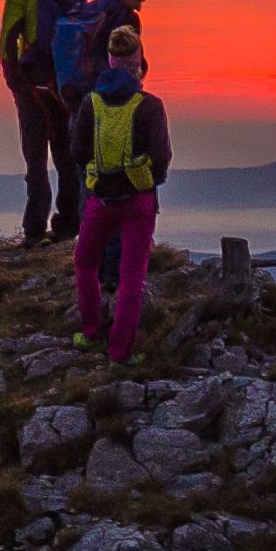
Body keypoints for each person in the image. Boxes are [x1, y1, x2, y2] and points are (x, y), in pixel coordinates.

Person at [70, 25, 173, 363]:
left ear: (110, 62)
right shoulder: (149, 106)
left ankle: (90, 333)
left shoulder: (91, 104)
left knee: (85, 263)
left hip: (99, 198)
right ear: (139, 62)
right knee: (132, 277)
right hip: (138, 201)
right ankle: (120, 352)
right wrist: (148, 181)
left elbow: (78, 152)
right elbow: (161, 156)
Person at [0, 0, 89, 244]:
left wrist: (15, 82)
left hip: (32, 87)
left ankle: (35, 228)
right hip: (63, 86)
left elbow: (7, 40)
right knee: (66, 156)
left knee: (35, 160)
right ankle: (67, 225)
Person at [49, 0, 148, 224]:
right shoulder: (124, 15)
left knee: (84, 163)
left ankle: (87, 223)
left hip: (75, 92)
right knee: (114, 159)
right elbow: (128, 56)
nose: (140, 5)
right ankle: (112, 225)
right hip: (109, 96)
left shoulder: (90, 9)